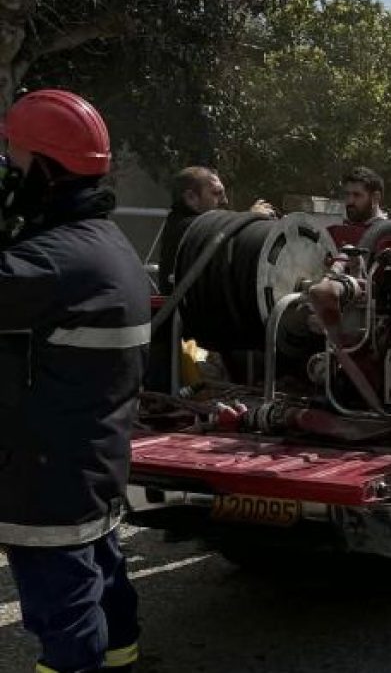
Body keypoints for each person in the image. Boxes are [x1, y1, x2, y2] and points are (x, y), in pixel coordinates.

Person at [0, 90, 148, 672]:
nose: (8, 170)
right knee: (104, 579)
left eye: (12, 156)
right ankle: (120, 658)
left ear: (45, 166)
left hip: (47, 473)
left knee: (62, 611)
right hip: (86, 460)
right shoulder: (100, 244)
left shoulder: (51, 262)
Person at [157, 166, 273, 294]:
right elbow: (220, 233)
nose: (225, 200)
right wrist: (251, 217)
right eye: (216, 193)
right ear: (191, 198)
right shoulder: (185, 228)